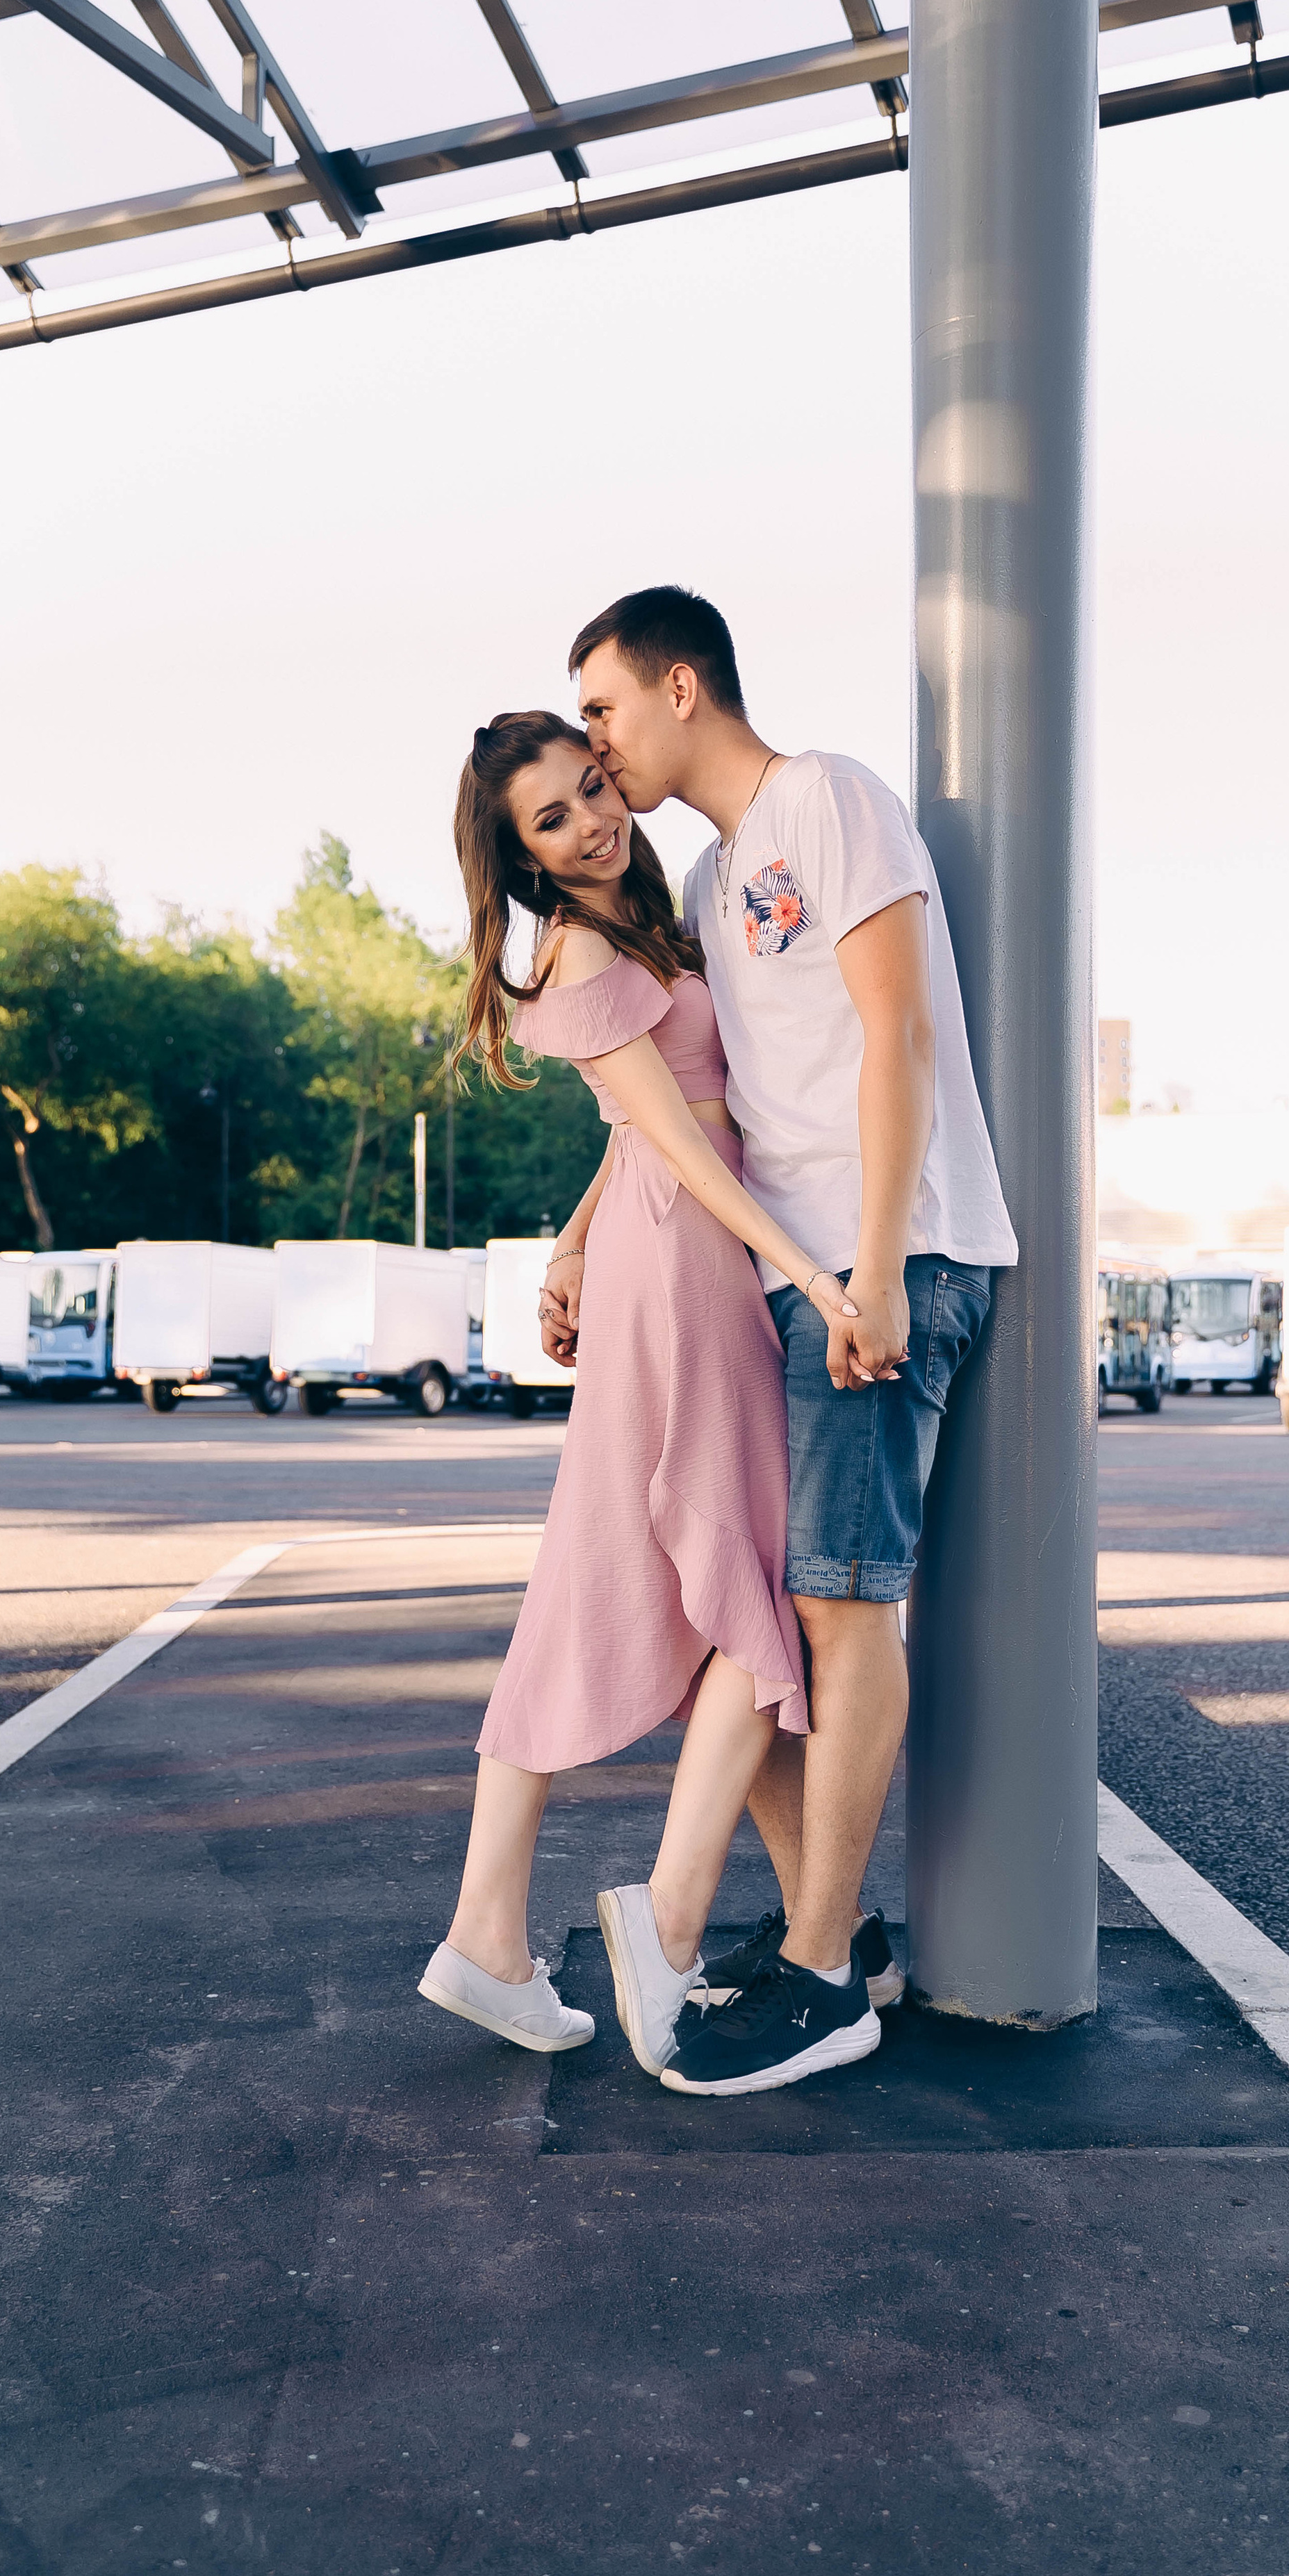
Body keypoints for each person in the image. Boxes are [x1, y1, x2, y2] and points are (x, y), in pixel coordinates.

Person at [541, 586, 1017, 2097]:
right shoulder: (709, 867)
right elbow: (684, 1100)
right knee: (749, 1617)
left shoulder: (827, 799)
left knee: (835, 1611)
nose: (596, 750)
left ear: (681, 686)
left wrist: (873, 1265)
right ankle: (842, 1931)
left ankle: (822, 1977)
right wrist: (572, 1233)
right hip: (782, 1283)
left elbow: (899, 1034)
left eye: (604, 712)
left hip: (887, 1265)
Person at [419, 711, 880, 2086]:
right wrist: (811, 1266)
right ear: (520, 861)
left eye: (586, 790)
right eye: (550, 822)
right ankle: (659, 1922)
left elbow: (642, 1125)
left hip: (655, 1249)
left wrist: (567, 1240)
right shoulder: (576, 951)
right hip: (687, 1270)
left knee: (612, 1574)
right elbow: (678, 1145)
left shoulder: (648, 924)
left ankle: (489, 1933)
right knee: (749, 1579)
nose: (588, 823)